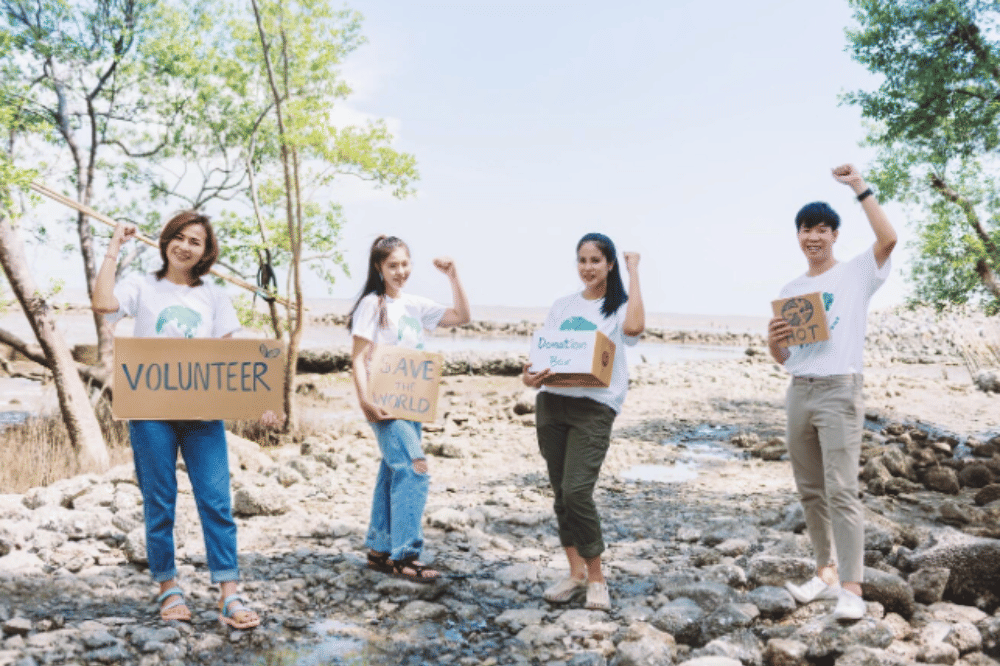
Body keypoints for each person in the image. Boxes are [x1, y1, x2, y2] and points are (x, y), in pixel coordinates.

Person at [93, 211, 278, 629]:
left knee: (217, 501)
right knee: (160, 502)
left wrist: (264, 395)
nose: (185, 246)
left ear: (205, 250)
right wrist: (113, 248)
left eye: (195, 241)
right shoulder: (142, 284)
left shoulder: (213, 295)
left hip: (202, 413)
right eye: (179, 237)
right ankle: (168, 586)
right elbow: (104, 304)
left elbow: (232, 354)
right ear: (165, 241)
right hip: (150, 412)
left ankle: (229, 593)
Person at [767, 164, 897, 621]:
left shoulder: (857, 273)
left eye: (823, 229)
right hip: (799, 390)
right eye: (807, 229)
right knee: (810, 490)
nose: (814, 237)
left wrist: (859, 187)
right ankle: (823, 575)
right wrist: (775, 336)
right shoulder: (792, 289)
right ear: (798, 236)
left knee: (841, 488)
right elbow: (784, 357)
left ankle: (852, 589)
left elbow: (888, 239)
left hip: (840, 389)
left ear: (835, 235)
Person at [523, 233, 644, 611]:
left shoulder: (619, 307)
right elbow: (544, 357)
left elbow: (635, 329)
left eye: (596, 260)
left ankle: (597, 578)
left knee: (577, 491)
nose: (588, 267)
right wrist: (529, 377)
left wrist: (634, 271)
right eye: (582, 260)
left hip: (595, 407)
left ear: (609, 264)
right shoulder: (563, 306)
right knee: (560, 493)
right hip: (552, 404)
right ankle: (575, 573)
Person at [347, 235, 470, 583]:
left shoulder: (415, 304)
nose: (400, 271)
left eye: (404, 264)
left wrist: (453, 275)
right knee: (415, 468)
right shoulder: (373, 304)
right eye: (392, 265)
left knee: (393, 470)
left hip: (413, 403)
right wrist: (365, 401)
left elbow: (461, 316)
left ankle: (379, 549)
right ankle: (405, 555)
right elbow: (357, 358)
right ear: (379, 268)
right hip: (384, 403)